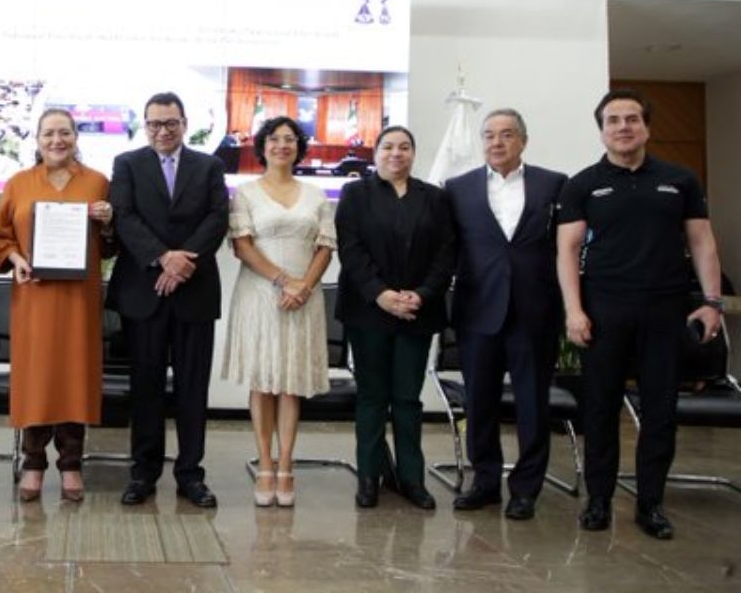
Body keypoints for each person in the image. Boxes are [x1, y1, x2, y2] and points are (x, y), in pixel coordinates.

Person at [557, 89, 723, 540]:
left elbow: (702, 241)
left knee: (660, 412)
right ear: (602, 131)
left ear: (646, 127)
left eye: (632, 119)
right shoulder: (583, 184)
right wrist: (574, 311)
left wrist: (712, 302)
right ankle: (598, 501)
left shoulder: (680, 180)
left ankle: (651, 504)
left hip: (665, 310)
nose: (623, 127)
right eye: (613, 120)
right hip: (603, 310)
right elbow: (567, 250)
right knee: (600, 409)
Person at [108, 92, 229, 508]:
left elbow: (217, 217)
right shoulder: (127, 164)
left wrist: (183, 263)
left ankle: (190, 474)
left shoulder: (209, 166)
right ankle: (143, 473)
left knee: (193, 388)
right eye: (155, 124)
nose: (163, 131)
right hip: (144, 292)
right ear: (145, 126)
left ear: (184, 124)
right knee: (146, 386)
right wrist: (163, 258)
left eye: (171, 123)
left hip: (195, 291)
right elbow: (124, 216)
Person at [446, 109, 567, 521]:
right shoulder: (458, 188)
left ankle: (526, 490)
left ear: (523, 141)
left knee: (533, 404)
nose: (497, 142)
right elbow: (448, 248)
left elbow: (566, 247)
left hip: (535, 311)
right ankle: (485, 483)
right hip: (478, 310)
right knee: (479, 402)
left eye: (507, 135)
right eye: (489, 135)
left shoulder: (554, 184)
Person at [0, 109, 114, 502]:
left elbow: (112, 245)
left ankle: (72, 462)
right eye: (48, 134)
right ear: (37, 139)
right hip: (34, 297)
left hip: (78, 299)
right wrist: (16, 259)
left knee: (75, 376)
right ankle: (34, 462)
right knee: (36, 378)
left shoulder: (98, 182)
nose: (56, 140)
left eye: (64, 133)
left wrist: (109, 221)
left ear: (76, 136)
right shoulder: (19, 183)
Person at [335, 125, 454, 510]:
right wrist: (381, 295)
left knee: (407, 398)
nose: (396, 153)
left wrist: (422, 294)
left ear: (413, 154)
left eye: (404, 147)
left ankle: (411, 479)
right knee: (372, 397)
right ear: (376, 153)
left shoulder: (435, 198)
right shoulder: (355, 193)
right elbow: (350, 249)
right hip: (368, 311)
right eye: (388, 146)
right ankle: (369, 477)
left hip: (417, 313)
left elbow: (446, 253)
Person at [220, 116, 335, 507]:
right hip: (260, 295)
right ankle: (265, 465)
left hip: (304, 296)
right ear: (262, 146)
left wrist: (304, 286)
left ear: (299, 147)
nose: (282, 145)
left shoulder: (316, 195)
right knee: (263, 381)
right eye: (274, 139)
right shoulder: (245, 193)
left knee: (290, 384)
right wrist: (284, 281)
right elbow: (243, 246)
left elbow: (325, 247)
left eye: (289, 139)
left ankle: (286, 465)